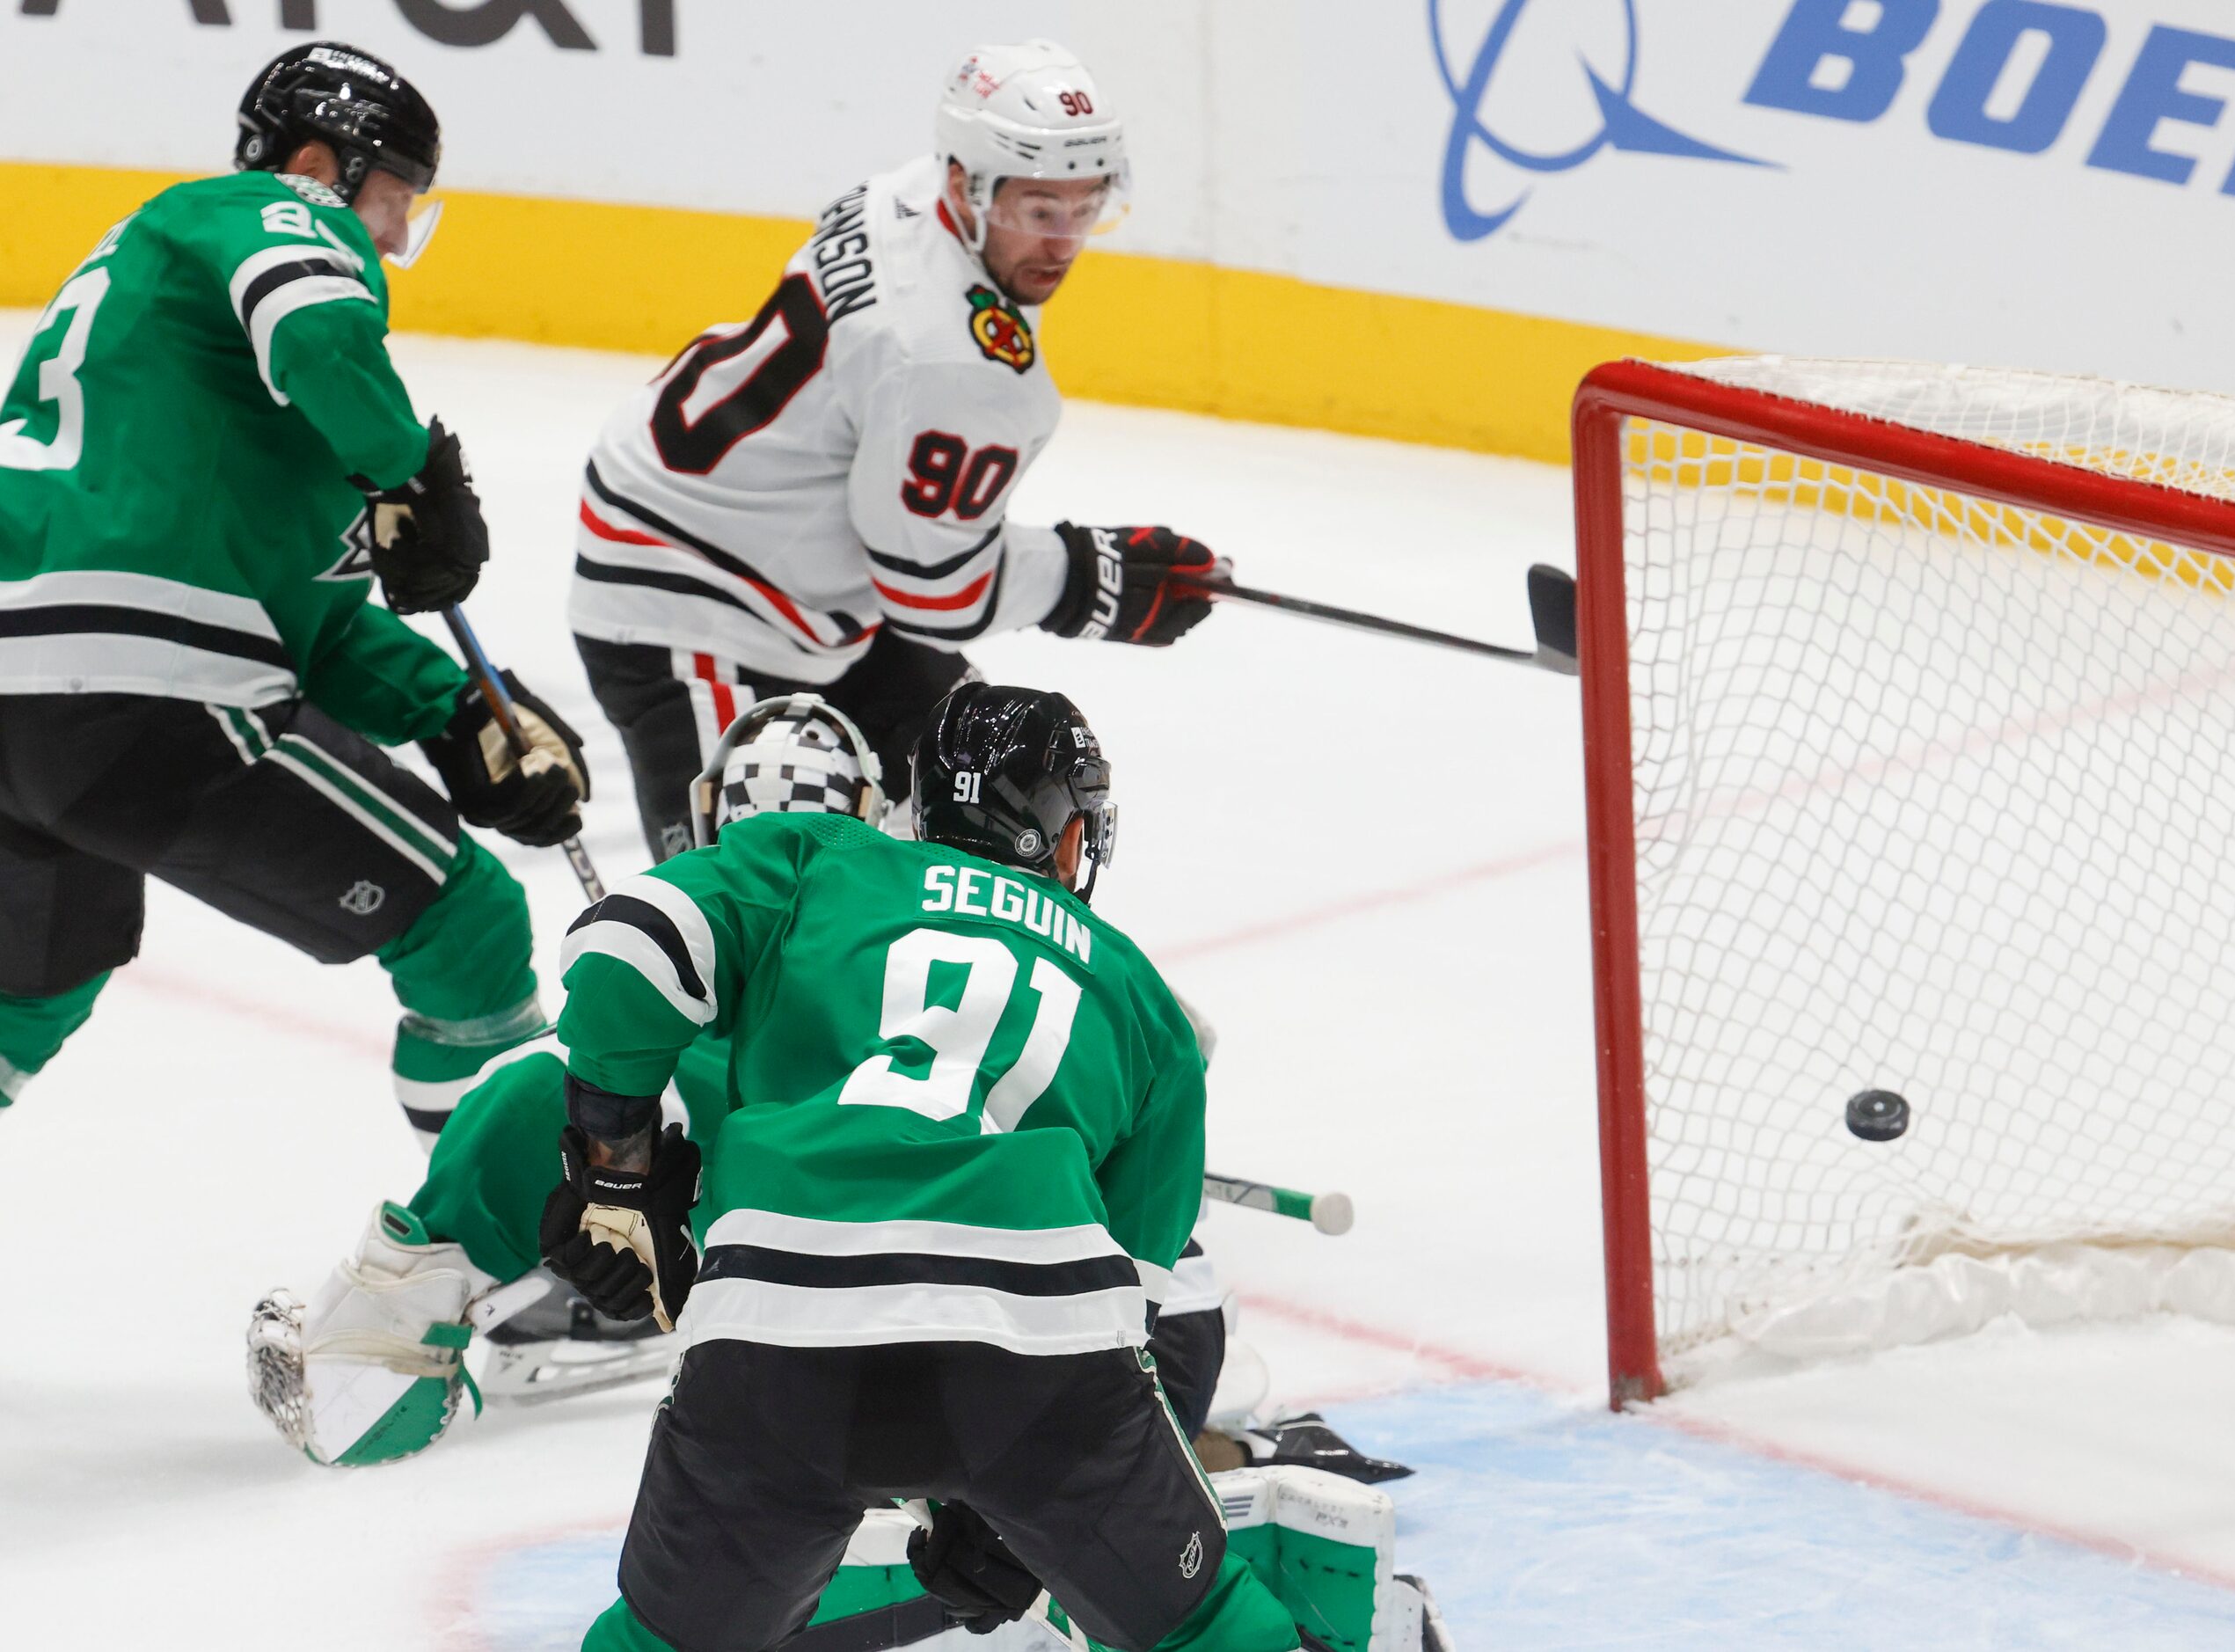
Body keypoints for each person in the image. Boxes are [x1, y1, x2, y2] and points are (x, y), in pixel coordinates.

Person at [247, 695, 1406, 1497]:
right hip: (997, 1400)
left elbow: (352, 1397)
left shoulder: (557, 1086)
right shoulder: (1000, 999)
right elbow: (1168, 1302)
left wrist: (611, 1222)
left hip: (794, 1416)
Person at [530, 683, 1297, 1649]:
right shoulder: (1142, 996)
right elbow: (1138, 1294)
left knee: (659, 1641)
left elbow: (625, 948)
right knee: (1215, 1629)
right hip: (1036, 1345)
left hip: (775, 1324)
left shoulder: (817, 860)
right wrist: (1023, 1512)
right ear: (1068, 837)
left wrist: (617, 1167)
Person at [0, 41, 587, 1141]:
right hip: (137, 689)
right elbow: (315, 323)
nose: (398, 236)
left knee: (29, 985)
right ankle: (509, 1250)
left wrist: (458, 708)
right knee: (466, 923)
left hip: (22, 687)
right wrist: (408, 463)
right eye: (393, 197)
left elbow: (288, 618)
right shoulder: (273, 208)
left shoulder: (181, 371)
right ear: (319, 161)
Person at [568, 38, 1220, 862]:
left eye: (1084, 206)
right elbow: (934, 591)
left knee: (998, 804)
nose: (1063, 242)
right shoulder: (946, 360)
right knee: (744, 917)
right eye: (1037, 209)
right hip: (685, 595)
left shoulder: (910, 196)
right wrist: (1091, 578)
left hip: (798, 572)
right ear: (966, 183)